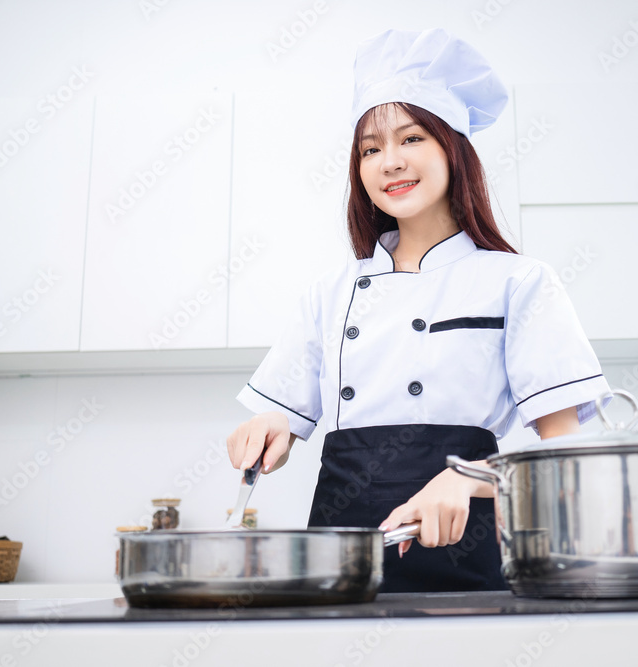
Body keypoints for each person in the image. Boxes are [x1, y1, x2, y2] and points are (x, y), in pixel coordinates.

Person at [226, 28, 612, 593]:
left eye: (411, 138)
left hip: (467, 553)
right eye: (371, 149)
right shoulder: (331, 292)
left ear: (452, 149)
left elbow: (566, 456)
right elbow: (282, 431)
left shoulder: (518, 282)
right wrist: (269, 430)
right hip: (340, 566)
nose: (390, 162)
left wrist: (470, 479)